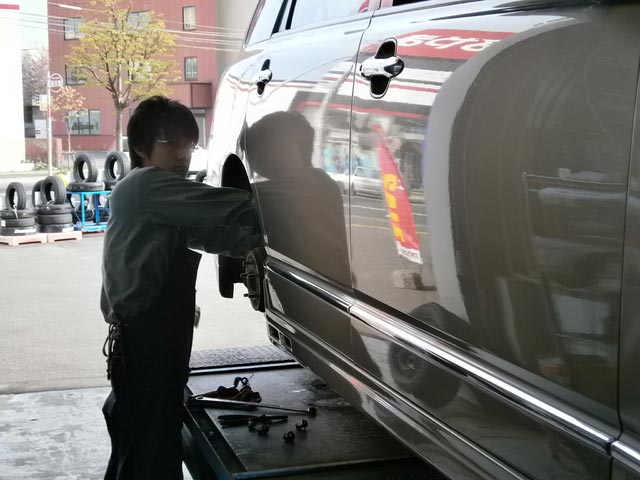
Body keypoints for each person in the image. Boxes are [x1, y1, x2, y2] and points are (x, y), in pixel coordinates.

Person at [100, 95, 261, 479]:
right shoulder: (146, 185)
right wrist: (281, 203)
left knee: (144, 451)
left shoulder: (162, 201)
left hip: (155, 345)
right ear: (141, 148)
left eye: (188, 145)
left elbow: (210, 236)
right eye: (169, 143)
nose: (181, 154)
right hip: (144, 346)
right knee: (149, 457)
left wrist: (253, 244)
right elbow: (225, 205)